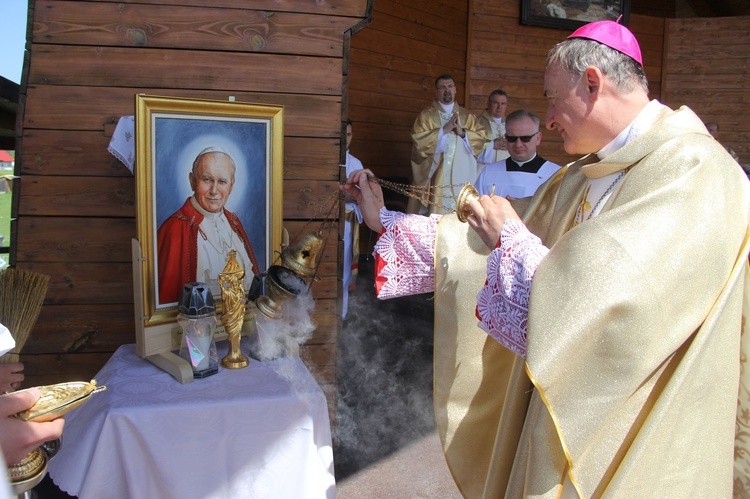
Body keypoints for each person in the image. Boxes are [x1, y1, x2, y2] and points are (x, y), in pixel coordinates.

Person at [343, 20, 750, 497]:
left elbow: (613, 310)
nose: (550, 119)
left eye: (554, 99)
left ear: (593, 84)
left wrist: (512, 239)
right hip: (564, 410)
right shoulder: (583, 174)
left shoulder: (692, 170)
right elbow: (483, 245)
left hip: (634, 430)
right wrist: (382, 220)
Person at [157, 147, 259, 304]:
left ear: (231, 186)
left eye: (222, 182)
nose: (214, 190)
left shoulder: (234, 222)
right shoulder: (174, 228)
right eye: (207, 180)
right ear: (192, 181)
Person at [408, 74, 488, 215]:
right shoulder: (426, 116)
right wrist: (444, 130)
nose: (447, 90)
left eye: (450, 86)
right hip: (438, 179)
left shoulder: (467, 116)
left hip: (462, 177)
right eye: (443, 87)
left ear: (455, 89)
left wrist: (462, 132)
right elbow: (419, 142)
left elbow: (481, 140)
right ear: (437, 91)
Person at [474, 109, 561, 198]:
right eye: (512, 138)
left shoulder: (556, 175)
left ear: (538, 138)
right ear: (506, 138)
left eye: (525, 138)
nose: (518, 145)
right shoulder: (488, 173)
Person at [341, 120, 363, 319]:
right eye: (342, 134)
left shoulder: (356, 164)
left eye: (348, 135)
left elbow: (362, 197)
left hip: (347, 222)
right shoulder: (325, 160)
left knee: (345, 267)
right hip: (328, 222)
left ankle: (342, 314)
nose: (345, 139)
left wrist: (353, 197)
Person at [476, 89, 511, 169]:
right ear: (488, 103)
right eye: (496, 103)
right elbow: (471, 147)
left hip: (506, 169)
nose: (500, 107)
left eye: (503, 103)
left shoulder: (510, 124)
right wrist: (492, 145)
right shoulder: (477, 123)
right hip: (484, 169)